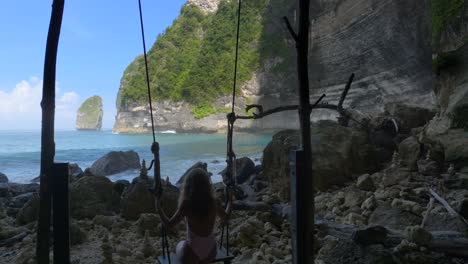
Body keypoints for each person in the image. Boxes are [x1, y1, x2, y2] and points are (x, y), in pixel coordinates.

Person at [155, 168, 233, 264]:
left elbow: (169, 224)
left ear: (188, 185)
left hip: (191, 254)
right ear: (207, 184)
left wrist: (158, 207)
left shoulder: (187, 204)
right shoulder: (214, 202)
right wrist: (230, 201)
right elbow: (226, 217)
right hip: (211, 251)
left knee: (179, 245)